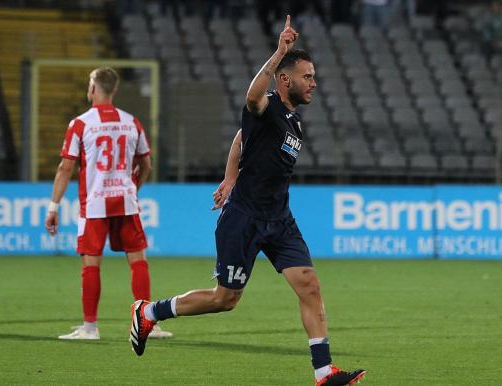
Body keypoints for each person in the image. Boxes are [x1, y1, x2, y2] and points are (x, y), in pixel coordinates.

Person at [129, 16, 366, 386]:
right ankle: (150, 312)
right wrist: (279, 53)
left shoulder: (294, 121)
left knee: (310, 285)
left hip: (279, 219)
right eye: (307, 76)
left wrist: (229, 175)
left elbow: (242, 138)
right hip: (244, 218)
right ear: (285, 79)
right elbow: (251, 100)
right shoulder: (267, 104)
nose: (314, 82)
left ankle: (324, 373)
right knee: (224, 300)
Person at [45, 67, 171, 340]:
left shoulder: (80, 124)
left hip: (95, 204)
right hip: (125, 199)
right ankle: (149, 323)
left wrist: (53, 207)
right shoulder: (131, 122)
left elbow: (65, 169)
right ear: (114, 90)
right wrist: (133, 188)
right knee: (138, 260)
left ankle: (90, 328)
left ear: (92, 89)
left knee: (91, 263)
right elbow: (146, 163)